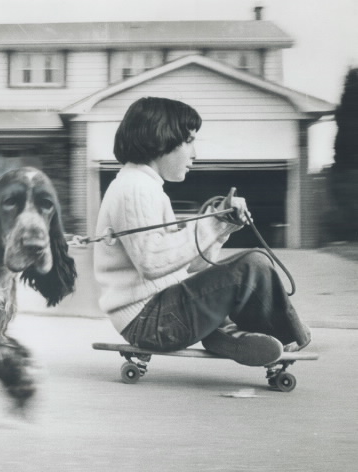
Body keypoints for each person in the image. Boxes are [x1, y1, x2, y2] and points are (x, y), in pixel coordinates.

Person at [94, 96, 311, 366]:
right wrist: (212, 223)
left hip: (157, 314)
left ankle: (226, 333)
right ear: (161, 139)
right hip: (149, 321)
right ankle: (288, 339)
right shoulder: (135, 188)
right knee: (252, 265)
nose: (195, 153)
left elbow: (187, 265)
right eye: (190, 141)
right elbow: (152, 262)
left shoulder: (143, 186)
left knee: (248, 266)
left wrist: (222, 228)